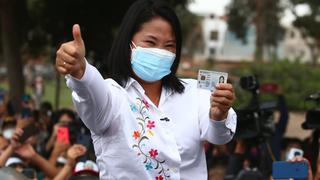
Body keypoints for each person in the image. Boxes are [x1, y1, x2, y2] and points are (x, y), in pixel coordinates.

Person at [55, 0, 237, 179]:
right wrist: (80, 70)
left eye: (169, 46)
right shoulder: (113, 96)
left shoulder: (194, 92)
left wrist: (219, 113)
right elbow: (90, 91)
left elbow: (219, 137)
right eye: (151, 42)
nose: (161, 52)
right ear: (128, 44)